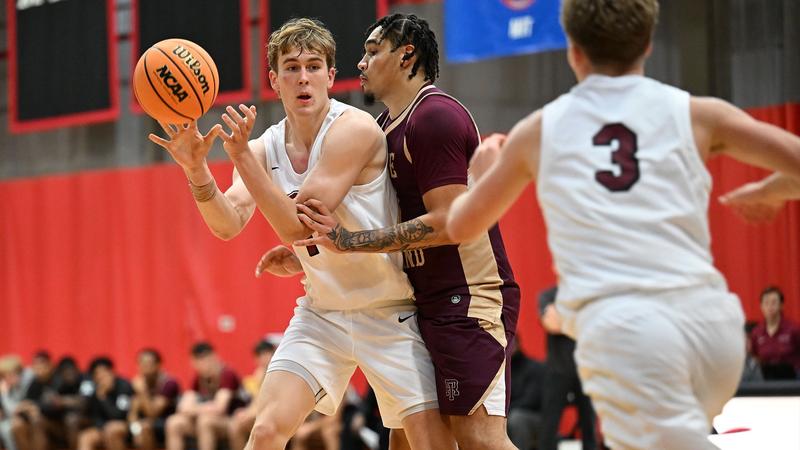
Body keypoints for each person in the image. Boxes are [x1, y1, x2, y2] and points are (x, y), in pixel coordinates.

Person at [445, 0, 800, 448]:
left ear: (572, 50)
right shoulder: (697, 113)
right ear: (648, 44)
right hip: (715, 330)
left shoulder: (539, 130)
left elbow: (460, 225)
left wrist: (480, 173)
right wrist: (772, 191)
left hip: (628, 334)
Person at [149, 17, 451, 450]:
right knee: (266, 432)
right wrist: (196, 171)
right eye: (291, 67)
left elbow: (299, 228)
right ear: (274, 80)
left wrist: (241, 159)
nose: (303, 77)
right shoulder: (263, 146)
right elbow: (227, 223)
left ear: (331, 76)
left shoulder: (355, 129)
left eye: (313, 66)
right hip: (321, 312)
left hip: (389, 309)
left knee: (429, 444)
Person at [293, 13, 520, 450]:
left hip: (467, 296)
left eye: (373, 51)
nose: (361, 62)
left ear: (407, 55)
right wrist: (307, 252)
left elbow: (448, 221)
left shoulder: (434, 117)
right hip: (416, 300)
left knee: (478, 438)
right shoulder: (381, 129)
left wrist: (351, 242)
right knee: (407, 437)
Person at [537, 287, 596, 450]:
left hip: (585, 369)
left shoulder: (586, 294)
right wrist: (579, 320)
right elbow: (550, 324)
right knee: (549, 424)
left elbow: (594, 325)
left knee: (589, 425)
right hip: (557, 370)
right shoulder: (549, 295)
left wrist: (561, 316)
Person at [165, 342, 241, 450]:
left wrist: (194, 409)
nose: (203, 364)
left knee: (205, 421)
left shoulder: (227, 374)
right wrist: (203, 408)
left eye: (206, 360)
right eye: (198, 361)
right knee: (173, 422)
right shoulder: (199, 378)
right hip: (205, 418)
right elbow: (182, 407)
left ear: (214, 357)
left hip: (231, 421)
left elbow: (219, 408)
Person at [76, 357, 134, 450]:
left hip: (123, 426)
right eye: (97, 374)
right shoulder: (92, 388)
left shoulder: (124, 386)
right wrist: (88, 397)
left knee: (111, 430)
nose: (101, 377)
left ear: (112, 372)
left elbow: (119, 416)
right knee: (85, 437)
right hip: (101, 427)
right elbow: (87, 414)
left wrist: (103, 397)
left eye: (104, 372)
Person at [127, 349, 180, 450]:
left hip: (166, 423)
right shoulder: (137, 383)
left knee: (145, 427)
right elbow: (132, 414)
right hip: (144, 424)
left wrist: (142, 392)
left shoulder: (169, 383)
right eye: (141, 364)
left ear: (158, 365)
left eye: (148, 364)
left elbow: (153, 413)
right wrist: (135, 429)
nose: (145, 367)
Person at [228, 340, 275, 450]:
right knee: (236, 424)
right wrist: (247, 412)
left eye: (265, 354)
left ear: (273, 353)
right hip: (263, 413)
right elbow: (257, 399)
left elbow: (272, 402)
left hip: (276, 414)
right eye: (259, 356)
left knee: (256, 427)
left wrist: (250, 414)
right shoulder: (260, 373)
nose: (263, 358)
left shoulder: (278, 373)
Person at [749, 286, 800, 379]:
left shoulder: (794, 329)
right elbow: (754, 356)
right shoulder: (756, 332)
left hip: (793, 379)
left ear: (781, 305)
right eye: (766, 303)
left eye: (774, 302)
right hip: (766, 379)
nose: (770, 307)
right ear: (761, 306)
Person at [505, 341, 545, 450]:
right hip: (511, 413)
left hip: (536, 417)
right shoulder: (502, 371)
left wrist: (504, 412)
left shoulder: (535, 367)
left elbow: (531, 401)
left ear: (518, 344)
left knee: (517, 418)